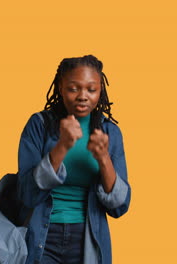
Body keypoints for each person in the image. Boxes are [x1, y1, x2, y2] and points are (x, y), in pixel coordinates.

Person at [17, 55, 131, 264]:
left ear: (100, 90)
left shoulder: (109, 133)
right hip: (41, 236)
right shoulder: (39, 125)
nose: (83, 96)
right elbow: (26, 194)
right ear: (61, 87)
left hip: (87, 238)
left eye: (91, 89)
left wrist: (104, 157)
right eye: (73, 88)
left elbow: (119, 206)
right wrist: (62, 146)